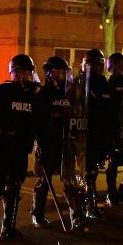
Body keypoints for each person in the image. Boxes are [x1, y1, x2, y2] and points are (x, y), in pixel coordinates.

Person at [0, 54, 41, 239]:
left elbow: (36, 122)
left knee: (13, 187)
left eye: (30, 72)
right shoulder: (1, 92)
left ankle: (8, 227)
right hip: (0, 146)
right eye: (26, 72)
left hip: (20, 148)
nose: (28, 76)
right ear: (17, 72)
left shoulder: (33, 95)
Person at [31, 56, 85, 229]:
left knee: (70, 181)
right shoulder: (42, 95)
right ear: (48, 73)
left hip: (66, 143)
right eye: (57, 72)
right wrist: (39, 144)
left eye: (63, 72)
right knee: (43, 181)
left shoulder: (70, 93)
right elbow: (36, 121)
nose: (61, 75)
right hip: (48, 143)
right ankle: (37, 214)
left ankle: (76, 216)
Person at [83, 49, 113, 216]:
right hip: (87, 132)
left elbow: (109, 109)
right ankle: (90, 206)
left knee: (94, 170)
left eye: (102, 63)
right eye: (97, 63)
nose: (100, 67)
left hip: (101, 132)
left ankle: (90, 205)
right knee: (89, 172)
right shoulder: (83, 82)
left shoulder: (103, 82)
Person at [104, 52, 123, 206]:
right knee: (113, 161)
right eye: (121, 64)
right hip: (114, 127)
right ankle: (111, 192)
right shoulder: (111, 84)